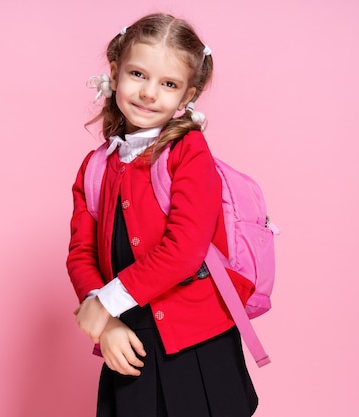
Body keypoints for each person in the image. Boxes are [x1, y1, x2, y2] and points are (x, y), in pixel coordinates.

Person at [66, 12, 259, 417]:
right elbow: (81, 253)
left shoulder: (189, 152)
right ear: (115, 73)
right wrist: (107, 324)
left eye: (168, 84)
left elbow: (185, 249)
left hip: (198, 345)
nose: (149, 93)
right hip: (131, 343)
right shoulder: (95, 165)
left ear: (188, 96)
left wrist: (105, 305)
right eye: (138, 74)